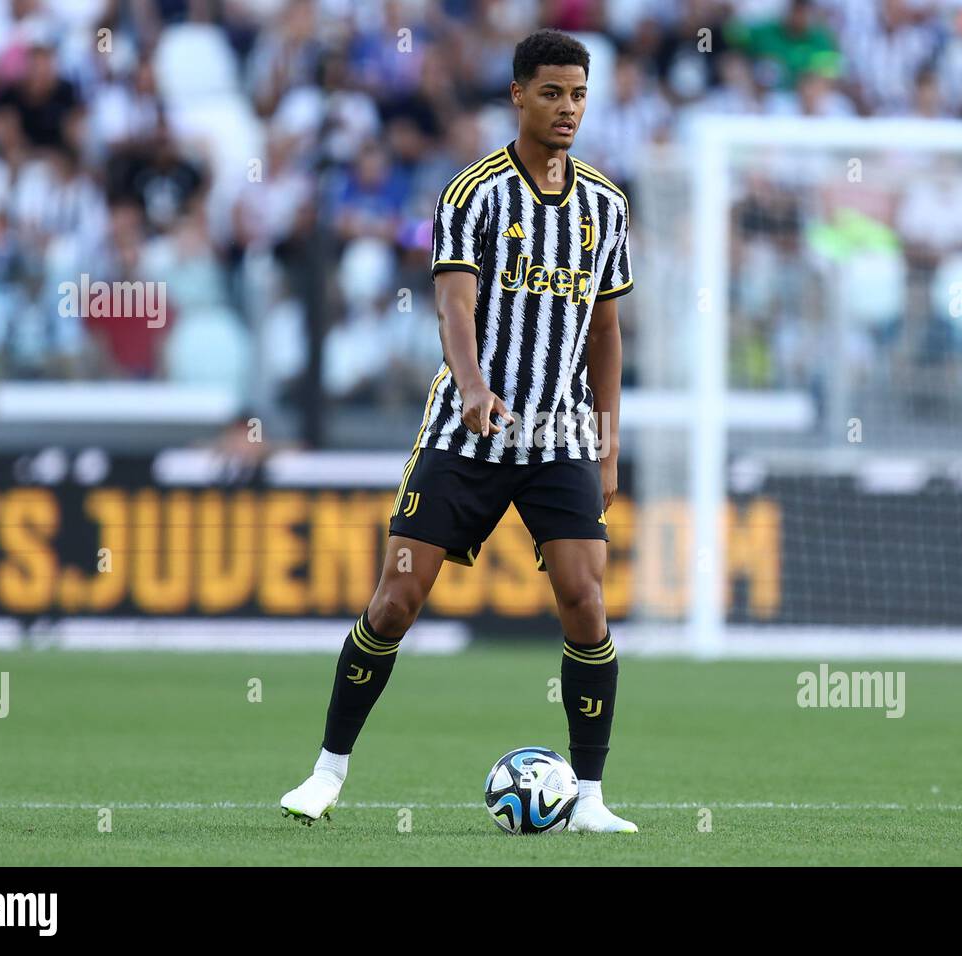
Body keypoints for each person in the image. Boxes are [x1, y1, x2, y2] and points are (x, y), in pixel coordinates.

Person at [280, 29, 638, 833]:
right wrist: (473, 388)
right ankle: (326, 774)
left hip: (559, 436)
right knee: (397, 600)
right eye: (552, 93)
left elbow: (606, 332)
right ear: (518, 95)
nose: (568, 109)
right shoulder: (473, 194)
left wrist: (608, 440)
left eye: (579, 95)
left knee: (585, 601)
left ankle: (590, 799)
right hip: (465, 432)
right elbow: (455, 304)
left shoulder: (606, 206)